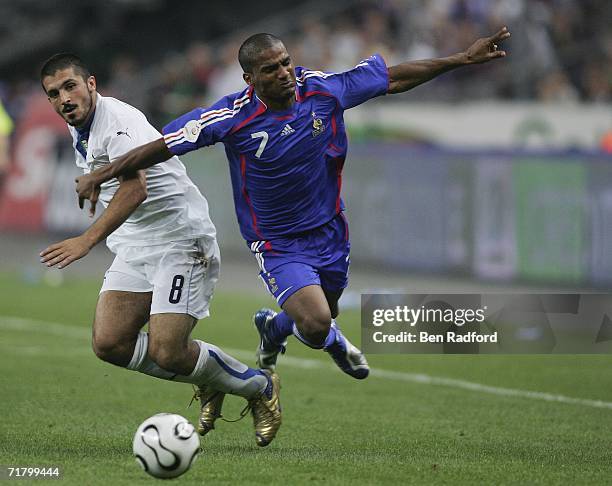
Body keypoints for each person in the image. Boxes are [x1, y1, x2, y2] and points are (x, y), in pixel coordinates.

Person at [75, 26, 511, 404]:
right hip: (276, 240)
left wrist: (462, 59)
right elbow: (164, 144)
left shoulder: (322, 89)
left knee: (321, 322)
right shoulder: (232, 115)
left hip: (329, 230)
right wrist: (105, 172)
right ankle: (288, 345)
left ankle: (274, 327)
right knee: (318, 319)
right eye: (270, 69)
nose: (283, 73)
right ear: (250, 79)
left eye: (285, 63)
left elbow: (392, 78)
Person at [39, 53, 281, 447]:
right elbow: (118, 171)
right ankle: (209, 377)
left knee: (168, 351)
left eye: (70, 86)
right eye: (54, 93)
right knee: (110, 344)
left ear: (91, 84)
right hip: (137, 243)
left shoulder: (116, 124)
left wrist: (87, 240)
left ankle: (257, 385)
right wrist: (101, 178)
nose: (64, 98)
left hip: (179, 240)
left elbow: (137, 188)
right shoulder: (81, 124)